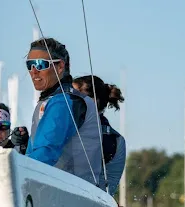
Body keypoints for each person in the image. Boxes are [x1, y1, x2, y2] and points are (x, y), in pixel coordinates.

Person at [17, 37, 103, 186]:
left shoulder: (63, 102)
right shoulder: (53, 99)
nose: (33, 71)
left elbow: (46, 151)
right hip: (65, 189)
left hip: (70, 191)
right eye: (30, 65)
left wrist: (15, 173)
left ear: (60, 66)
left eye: (40, 64)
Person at [72, 75, 126, 195]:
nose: (68, 101)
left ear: (94, 101)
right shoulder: (116, 138)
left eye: (75, 97)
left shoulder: (109, 139)